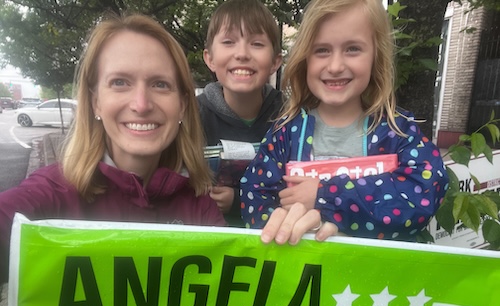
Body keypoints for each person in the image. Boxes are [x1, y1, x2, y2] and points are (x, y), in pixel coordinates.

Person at [0, 13, 226, 284]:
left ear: (183, 105)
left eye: (160, 84)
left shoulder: (200, 206)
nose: (141, 104)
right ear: (96, 102)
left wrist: (287, 237)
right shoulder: (51, 195)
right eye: (120, 82)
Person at [240, 0, 449, 244]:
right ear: (305, 58)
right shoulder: (286, 132)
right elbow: (255, 196)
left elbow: (422, 193)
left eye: (352, 49)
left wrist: (324, 195)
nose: (336, 66)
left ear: (376, 56)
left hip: (376, 277)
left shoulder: (396, 131)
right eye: (322, 50)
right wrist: (282, 225)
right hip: (304, 271)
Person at [198, 0, 284, 226]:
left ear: (275, 62)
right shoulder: (191, 117)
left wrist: (238, 200)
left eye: (256, 43)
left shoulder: (290, 119)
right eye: (228, 42)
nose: (242, 54)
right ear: (210, 59)